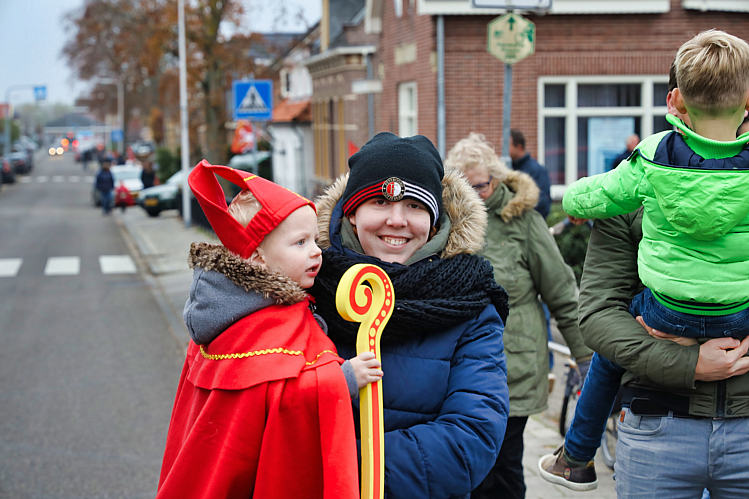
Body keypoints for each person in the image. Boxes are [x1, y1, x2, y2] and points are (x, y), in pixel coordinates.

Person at [541, 30, 749, 492]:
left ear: (674, 102)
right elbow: (598, 315)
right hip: (675, 401)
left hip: (667, 318)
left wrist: (573, 201)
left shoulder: (647, 165)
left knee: (633, 314)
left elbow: (580, 199)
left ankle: (576, 454)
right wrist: (689, 364)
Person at [157, 160, 381, 499]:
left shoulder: (256, 303)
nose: (316, 252)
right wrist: (343, 379)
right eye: (300, 243)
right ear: (259, 257)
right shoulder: (254, 318)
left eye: (315, 240)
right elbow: (277, 400)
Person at [310, 132, 511, 499]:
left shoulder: (470, 304)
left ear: (434, 222)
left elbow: (473, 437)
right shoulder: (307, 288)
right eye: (379, 202)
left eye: (415, 206)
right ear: (352, 214)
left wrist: (345, 467)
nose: (397, 220)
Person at [444, 132, 593, 499]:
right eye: (465, 188)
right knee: (469, 465)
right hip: (459, 368)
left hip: (515, 366)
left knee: (504, 463)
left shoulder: (523, 220)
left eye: (481, 186)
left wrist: (587, 359)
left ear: (496, 179)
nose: (474, 195)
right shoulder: (447, 221)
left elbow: (562, 293)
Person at [508, 129, 551, 219]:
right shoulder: (508, 169)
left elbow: (543, 203)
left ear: (519, 147)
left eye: (507, 145)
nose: (503, 149)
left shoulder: (537, 170)